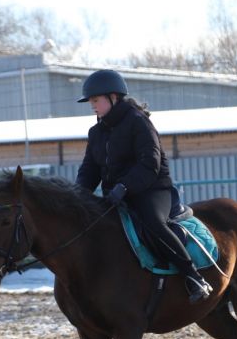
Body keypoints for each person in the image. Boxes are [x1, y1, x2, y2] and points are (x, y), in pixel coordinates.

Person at [75, 69, 213, 303]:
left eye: (95, 100)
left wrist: (124, 186)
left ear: (113, 97)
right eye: (90, 101)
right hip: (116, 195)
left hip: (152, 189)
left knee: (153, 223)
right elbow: (89, 169)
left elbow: (150, 163)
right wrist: (77, 194)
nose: (92, 106)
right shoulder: (96, 132)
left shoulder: (138, 122)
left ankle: (193, 277)